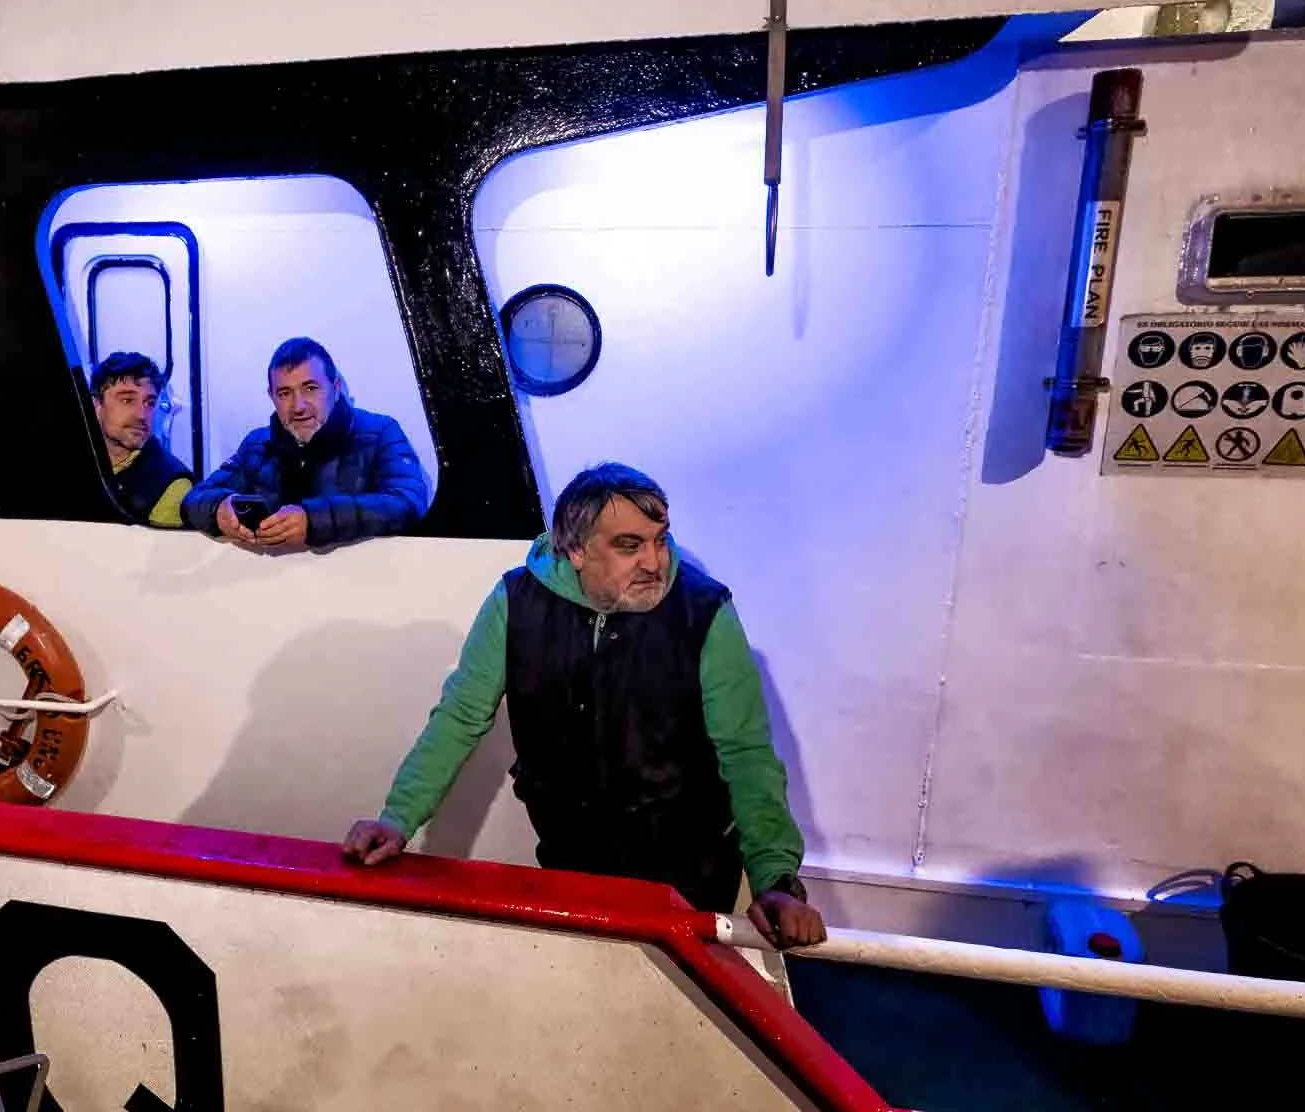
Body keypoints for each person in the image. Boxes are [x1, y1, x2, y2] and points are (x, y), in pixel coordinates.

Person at [342, 463, 826, 949]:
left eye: (659, 540)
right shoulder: (515, 601)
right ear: (574, 549)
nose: (654, 562)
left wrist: (775, 880)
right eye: (629, 546)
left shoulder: (706, 611)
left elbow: (746, 754)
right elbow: (460, 718)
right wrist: (396, 819)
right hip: (568, 863)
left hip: (689, 873)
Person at [182, 337, 430, 551]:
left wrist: (313, 521)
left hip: (358, 591)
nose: (298, 406)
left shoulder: (380, 433)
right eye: (284, 393)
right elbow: (194, 499)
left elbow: (408, 503)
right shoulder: (257, 445)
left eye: (310, 388)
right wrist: (218, 511)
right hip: (270, 591)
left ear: (336, 388)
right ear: (272, 397)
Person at [89, 352, 193, 528]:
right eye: (128, 400)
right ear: (96, 405)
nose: (142, 415)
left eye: (149, 403)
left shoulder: (172, 484)